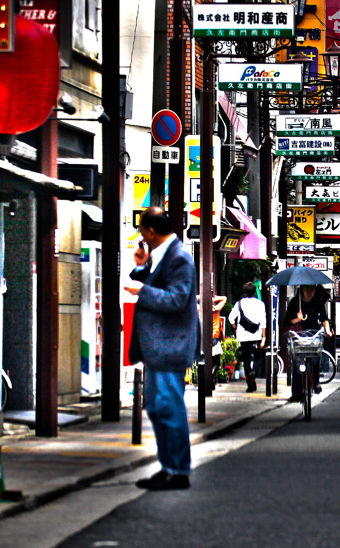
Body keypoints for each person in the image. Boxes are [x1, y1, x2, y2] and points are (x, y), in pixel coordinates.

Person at [123, 206, 199, 491]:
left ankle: (178, 470)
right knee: (157, 407)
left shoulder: (178, 258)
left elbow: (176, 300)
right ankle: (169, 466)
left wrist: (141, 290)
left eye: (142, 231)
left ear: (151, 231)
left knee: (169, 407)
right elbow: (161, 288)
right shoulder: (163, 256)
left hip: (170, 345)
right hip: (159, 346)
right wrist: (143, 268)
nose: (141, 236)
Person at [281, 284, 330, 399]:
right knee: (297, 362)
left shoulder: (318, 302)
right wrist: (297, 319)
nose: (309, 292)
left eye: (312, 289)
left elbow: (324, 318)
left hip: (314, 333)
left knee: (315, 357)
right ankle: (296, 393)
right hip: (299, 334)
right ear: (302, 290)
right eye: (307, 289)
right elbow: (286, 322)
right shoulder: (295, 302)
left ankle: (316, 383)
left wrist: (327, 329)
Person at [228, 282, 265, 393]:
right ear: (254, 292)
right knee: (259, 357)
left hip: (243, 336)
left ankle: (250, 385)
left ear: (244, 292)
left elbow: (231, 318)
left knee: (247, 359)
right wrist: (264, 337)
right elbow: (263, 322)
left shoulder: (239, 304)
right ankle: (254, 371)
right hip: (256, 335)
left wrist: (235, 329)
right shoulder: (260, 304)